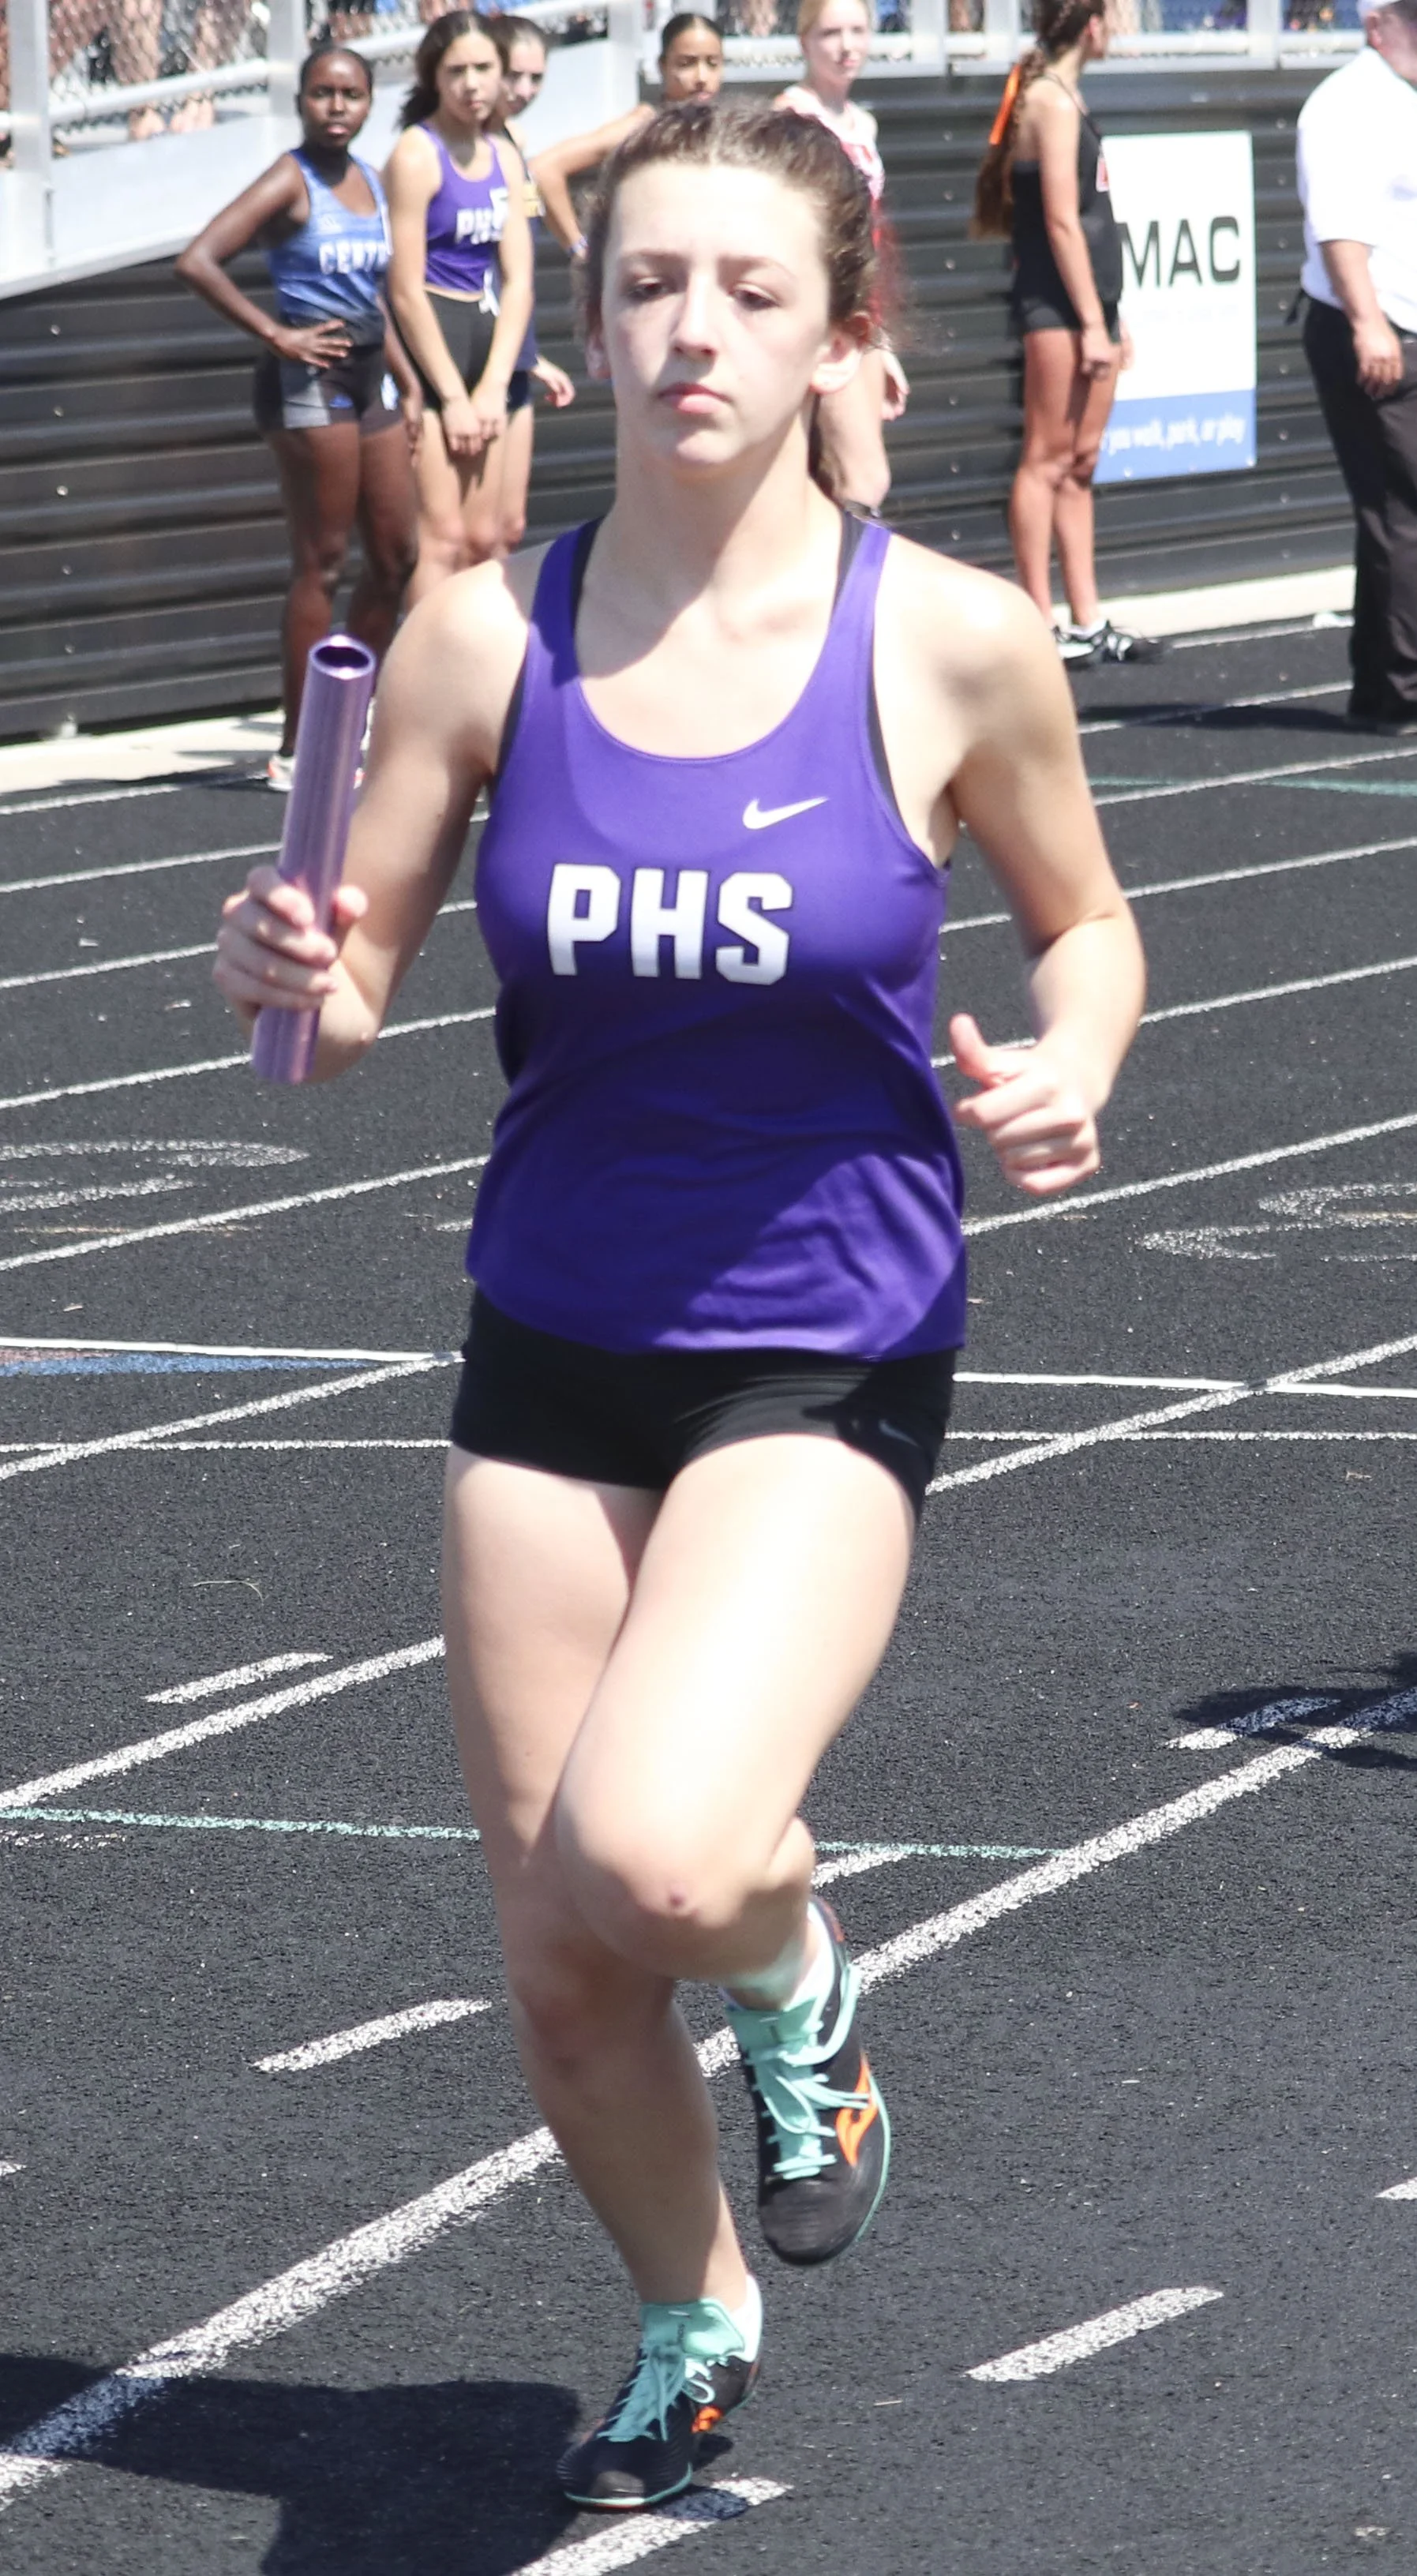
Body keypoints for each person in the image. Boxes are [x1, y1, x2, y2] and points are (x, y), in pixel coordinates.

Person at [213, 99, 1144, 2514]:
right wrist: (279, 965)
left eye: (744, 289)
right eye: (644, 288)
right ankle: (688, 2303)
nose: (686, 332)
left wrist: (1078, 1063)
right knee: (557, 1954)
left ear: (842, 324)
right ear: (587, 317)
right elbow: (334, 1013)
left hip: (819, 1341)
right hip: (549, 1345)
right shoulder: (480, 637)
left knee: (660, 1843)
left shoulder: (938, 634)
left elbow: (1088, 917)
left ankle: (806, 1975)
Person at [177, 41, 422, 789]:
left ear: (370, 101)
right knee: (320, 560)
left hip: (371, 377)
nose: (337, 108)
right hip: (305, 383)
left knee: (397, 559)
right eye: (322, 94)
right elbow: (198, 259)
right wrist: (277, 333)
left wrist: (409, 381)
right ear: (301, 101)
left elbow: (377, 296)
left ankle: (349, 712)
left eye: (350, 94)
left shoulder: (374, 183)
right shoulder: (291, 178)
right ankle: (297, 746)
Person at [973, 0, 1160, 666]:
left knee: (1080, 463)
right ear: (1091, 26)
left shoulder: (1066, 96)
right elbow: (1058, 221)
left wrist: (1113, 316)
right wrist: (1088, 322)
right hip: (1055, 309)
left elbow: (1093, 219)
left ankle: (1087, 617)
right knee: (1045, 459)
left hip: (1089, 306)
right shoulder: (1048, 101)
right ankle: (1037, 620)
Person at [384, 10, 534, 592]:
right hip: (435, 339)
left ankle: (477, 673)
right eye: (456, 71)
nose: (471, 84)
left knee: (489, 539)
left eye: (483, 68)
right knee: (442, 541)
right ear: (433, 78)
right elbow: (404, 287)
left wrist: (495, 383)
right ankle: (420, 680)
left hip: (488, 334)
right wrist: (452, 396)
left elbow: (519, 277)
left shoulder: (505, 154)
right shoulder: (416, 154)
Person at [1299, 0, 1417, 732]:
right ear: (1376, 25)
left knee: (1394, 510)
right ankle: (1399, 689)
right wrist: (1369, 325)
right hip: (1371, 330)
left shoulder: (1399, 98)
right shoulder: (1347, 103)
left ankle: (1380, 686)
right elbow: (1339, 227)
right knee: (1399, 510)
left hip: (1402, 325)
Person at [775, 0, 908, 514]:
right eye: (830, 33)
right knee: (860, 478)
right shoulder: (791, 117)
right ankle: (854, 594)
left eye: (857, 30)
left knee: (840, 475)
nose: (846, 46)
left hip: (860, 316)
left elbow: (871, 241)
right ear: (804, 42)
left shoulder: (861, 124)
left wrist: (884, 342)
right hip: (818, 315)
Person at [489, 16, 578, 555]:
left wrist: (530, 356)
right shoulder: (456, 147)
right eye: (513, 76)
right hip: (470, 353)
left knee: (507, 528)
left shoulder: (514, 140)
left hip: (512, 352)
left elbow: (512, 266)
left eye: (535, 78)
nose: (523, 91)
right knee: (466, 537)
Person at [530, 12, 723, 260]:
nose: (701, 78)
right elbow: (543, 169)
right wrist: (579, 249)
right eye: (687, 63)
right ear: (662, 66)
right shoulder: (644, 125)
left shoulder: (730, 129)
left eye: (713, 63)